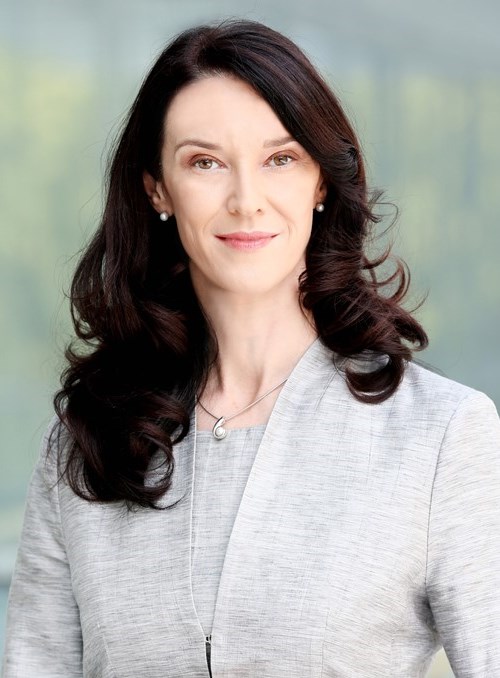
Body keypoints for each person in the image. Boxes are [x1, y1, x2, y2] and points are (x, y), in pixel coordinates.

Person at [2, 18, 499, 678]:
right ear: (157, 189)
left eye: (280, 159)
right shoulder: (83, 441)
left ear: (321, 182)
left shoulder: (441, 435)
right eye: (205, 162)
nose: (246, 201)